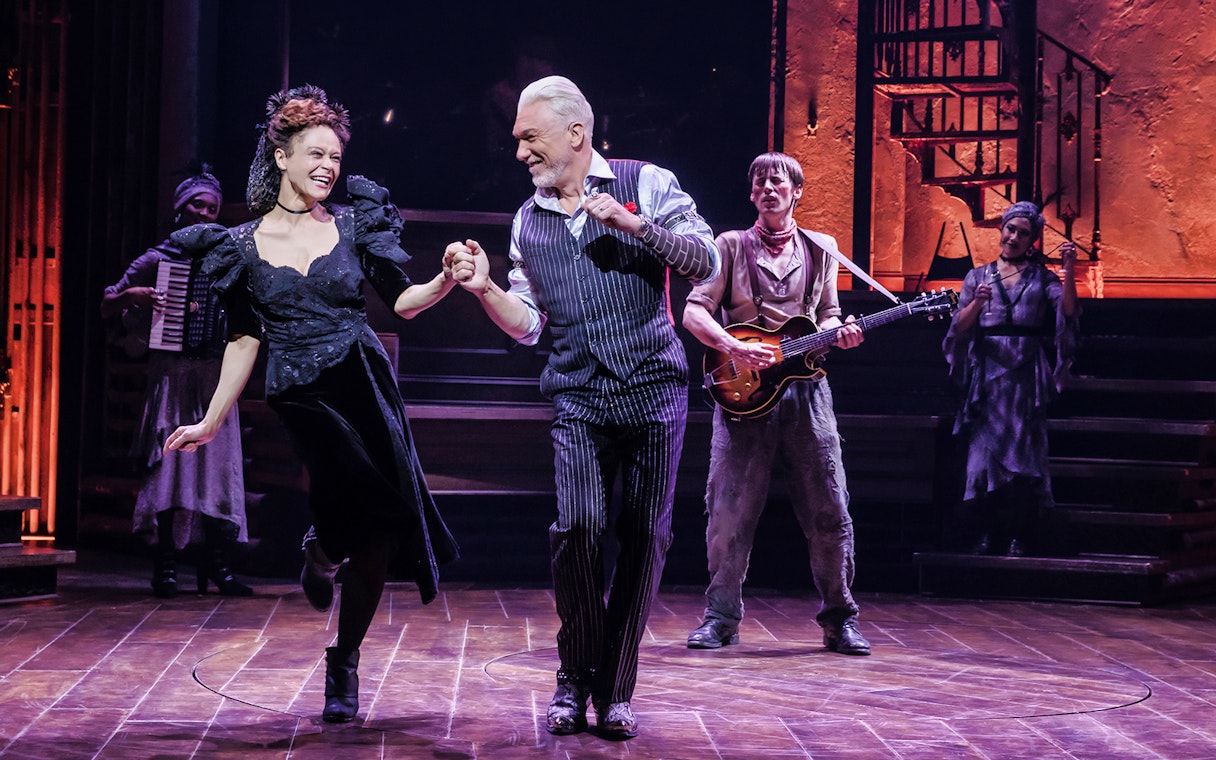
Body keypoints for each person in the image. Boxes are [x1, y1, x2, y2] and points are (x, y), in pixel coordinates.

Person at [163, 85, 459, 724]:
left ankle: (344, 656)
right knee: (356, 496)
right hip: (300, 392)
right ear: (282, 157)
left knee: (379, 523)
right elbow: (244, 339)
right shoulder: (240, 245)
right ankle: (323, 550)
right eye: (316, 154)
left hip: (365, 383)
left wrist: (442, 281)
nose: (329, 166)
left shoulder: (354, 225)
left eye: (335, 157)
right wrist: (212, 418)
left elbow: (400, 301)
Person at [445, 75, 719, 740]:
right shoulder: (526, 219)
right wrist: (484, 291)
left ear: (575, 134)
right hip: (578, 394)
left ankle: (613, 690)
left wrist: (635, 224)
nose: (519, 153)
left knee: (647, 537)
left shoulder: (646, 182)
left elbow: (704, 259)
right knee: (578, 530)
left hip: (654, 389)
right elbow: (529, 324)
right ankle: (574, 675)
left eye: (528, 138)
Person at [680, 152, 871, 657]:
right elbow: (694, 312)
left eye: (778, 180)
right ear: (751, 194)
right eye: (760, 181)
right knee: (727, 510)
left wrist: (841, 334)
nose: (769, 188)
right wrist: (733, 346)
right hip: (743, 395)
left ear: (796, 191)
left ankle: (840, 619)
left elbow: (829, 314)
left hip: (807, 393)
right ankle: (720, 617)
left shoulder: (822, 248)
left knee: (830, 508)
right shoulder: (728, 246)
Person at [101, 165, 252, 599]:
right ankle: (165, 565)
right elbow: (106, 303)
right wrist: (133, 297)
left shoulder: (228, 259)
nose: (205, 213)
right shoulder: (158, 259)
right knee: (172, 470)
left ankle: (217, 565)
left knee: (217, 474)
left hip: (213, 379)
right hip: (172, 378)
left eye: (212, 208)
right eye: (197, 205)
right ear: (180, 210)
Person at [943, 201, 1079, 556]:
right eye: (1010, 229)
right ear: (1001, 230)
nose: (1013, 237)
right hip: (987, 376)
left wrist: (1068, 269)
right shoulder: (977, 276)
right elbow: (958, 327)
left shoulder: (1041, 278)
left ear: (1033, 240)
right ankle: (985, 533)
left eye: (1023, 233)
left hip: (1024, 376)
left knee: (1024, 457)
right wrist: (976, 303)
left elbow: (1067, 311)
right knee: (982, 460)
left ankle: (1022, 533)